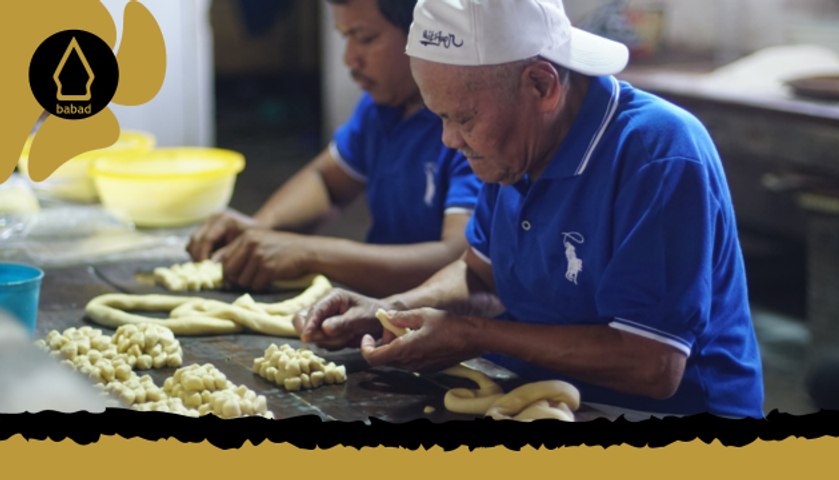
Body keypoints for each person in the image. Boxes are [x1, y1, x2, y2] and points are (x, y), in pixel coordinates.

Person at [295, 0, 765, 418]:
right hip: (539, 391)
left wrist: (472, 335)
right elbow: (480, 276)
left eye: (464, 118)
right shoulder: (515, 143)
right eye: (440, 115)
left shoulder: (656, 154)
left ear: (542, 85)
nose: (450, 140)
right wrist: (390, 310)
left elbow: (652, 365)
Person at [187, 0, 482, 298]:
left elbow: (461, 261)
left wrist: (310, 253)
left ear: (423, 35)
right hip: (382, 308)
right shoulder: (382, 108)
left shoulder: (465, 128)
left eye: (365, 38)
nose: (349, 59)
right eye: (345, 37)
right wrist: (259, 231)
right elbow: (326, 181)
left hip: (444, 326)